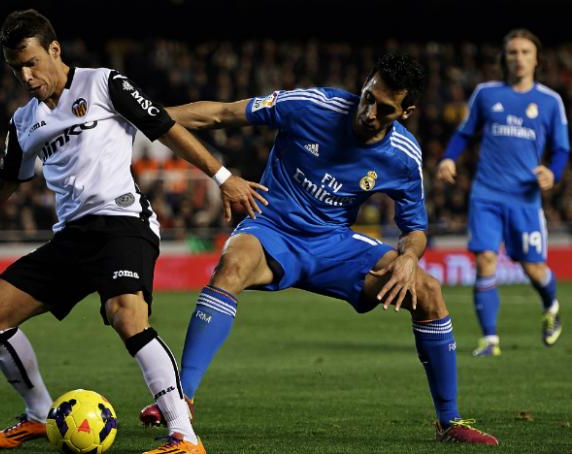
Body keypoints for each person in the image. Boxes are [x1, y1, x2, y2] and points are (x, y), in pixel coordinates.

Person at [0, 9, 267, 454]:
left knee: (127, 315)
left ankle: (184, 435)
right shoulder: (24, 122)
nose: (26, 76)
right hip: (71, 237)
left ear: (54, 50)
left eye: (31, 63)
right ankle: (38, 415)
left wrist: (224, 177)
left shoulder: (104, 84)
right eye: (15, 69)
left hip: (123, 223)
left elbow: (165, 129)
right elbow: (7, 178)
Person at [140, 53, 499, 445]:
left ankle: (451, 422)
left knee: (429, 290)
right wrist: (140, 113)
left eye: (384, 108)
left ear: (407, 111)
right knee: (232, 264)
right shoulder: (312, 105)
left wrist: (410, 258)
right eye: (368, 97)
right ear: (363, 85)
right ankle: (182, 397)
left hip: (333, 244)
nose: (369, 111)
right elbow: (222, 114)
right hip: (271, 228)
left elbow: (415, 228)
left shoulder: (403, 156)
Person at [436, 29, 569, 357]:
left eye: (525, 52)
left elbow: (562, 149)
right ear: (504, 58)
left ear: (536, 58)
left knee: (533, 268)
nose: (519, 58)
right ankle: (490, 339)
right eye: (512, 52)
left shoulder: (550, 101)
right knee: (484, 259)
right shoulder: (485, 94)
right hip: (486, 194)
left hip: (524, 199)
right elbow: (464, 133)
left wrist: (553, 172)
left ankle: (551, 305)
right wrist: (449, 158)